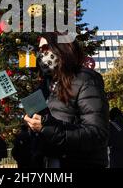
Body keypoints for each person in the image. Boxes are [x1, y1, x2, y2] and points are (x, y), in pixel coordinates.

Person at [24, 32, 109, 168]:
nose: (41, 53)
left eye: (45, 47)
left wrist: (48, 128)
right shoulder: (45, 85)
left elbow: (97, 133)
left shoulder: (85, 79)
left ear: (63, 47)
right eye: (39, 49)